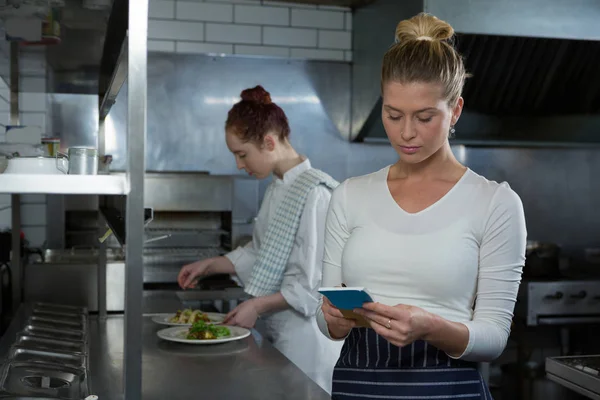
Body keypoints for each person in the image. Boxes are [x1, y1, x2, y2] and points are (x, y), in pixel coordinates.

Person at [316, 12, 527, 399]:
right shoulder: (349, 195)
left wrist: (430, 326)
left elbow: (494, 337)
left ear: (455, 111)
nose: (406, 132)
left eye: (424, 117)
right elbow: (328, 318)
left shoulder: (495, 202)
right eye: (393, 115)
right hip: (359, 386)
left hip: (448, 386)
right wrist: (333, 319)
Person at [177, 85, 343, 394]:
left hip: (309, 342)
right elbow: (263, 253)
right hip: (281, 331)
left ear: (269, 142)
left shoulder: (317, 193)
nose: (240, 164)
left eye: (242, 154)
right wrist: (211, 265)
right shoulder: (278, 188)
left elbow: (312, 287)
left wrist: (257, 306)